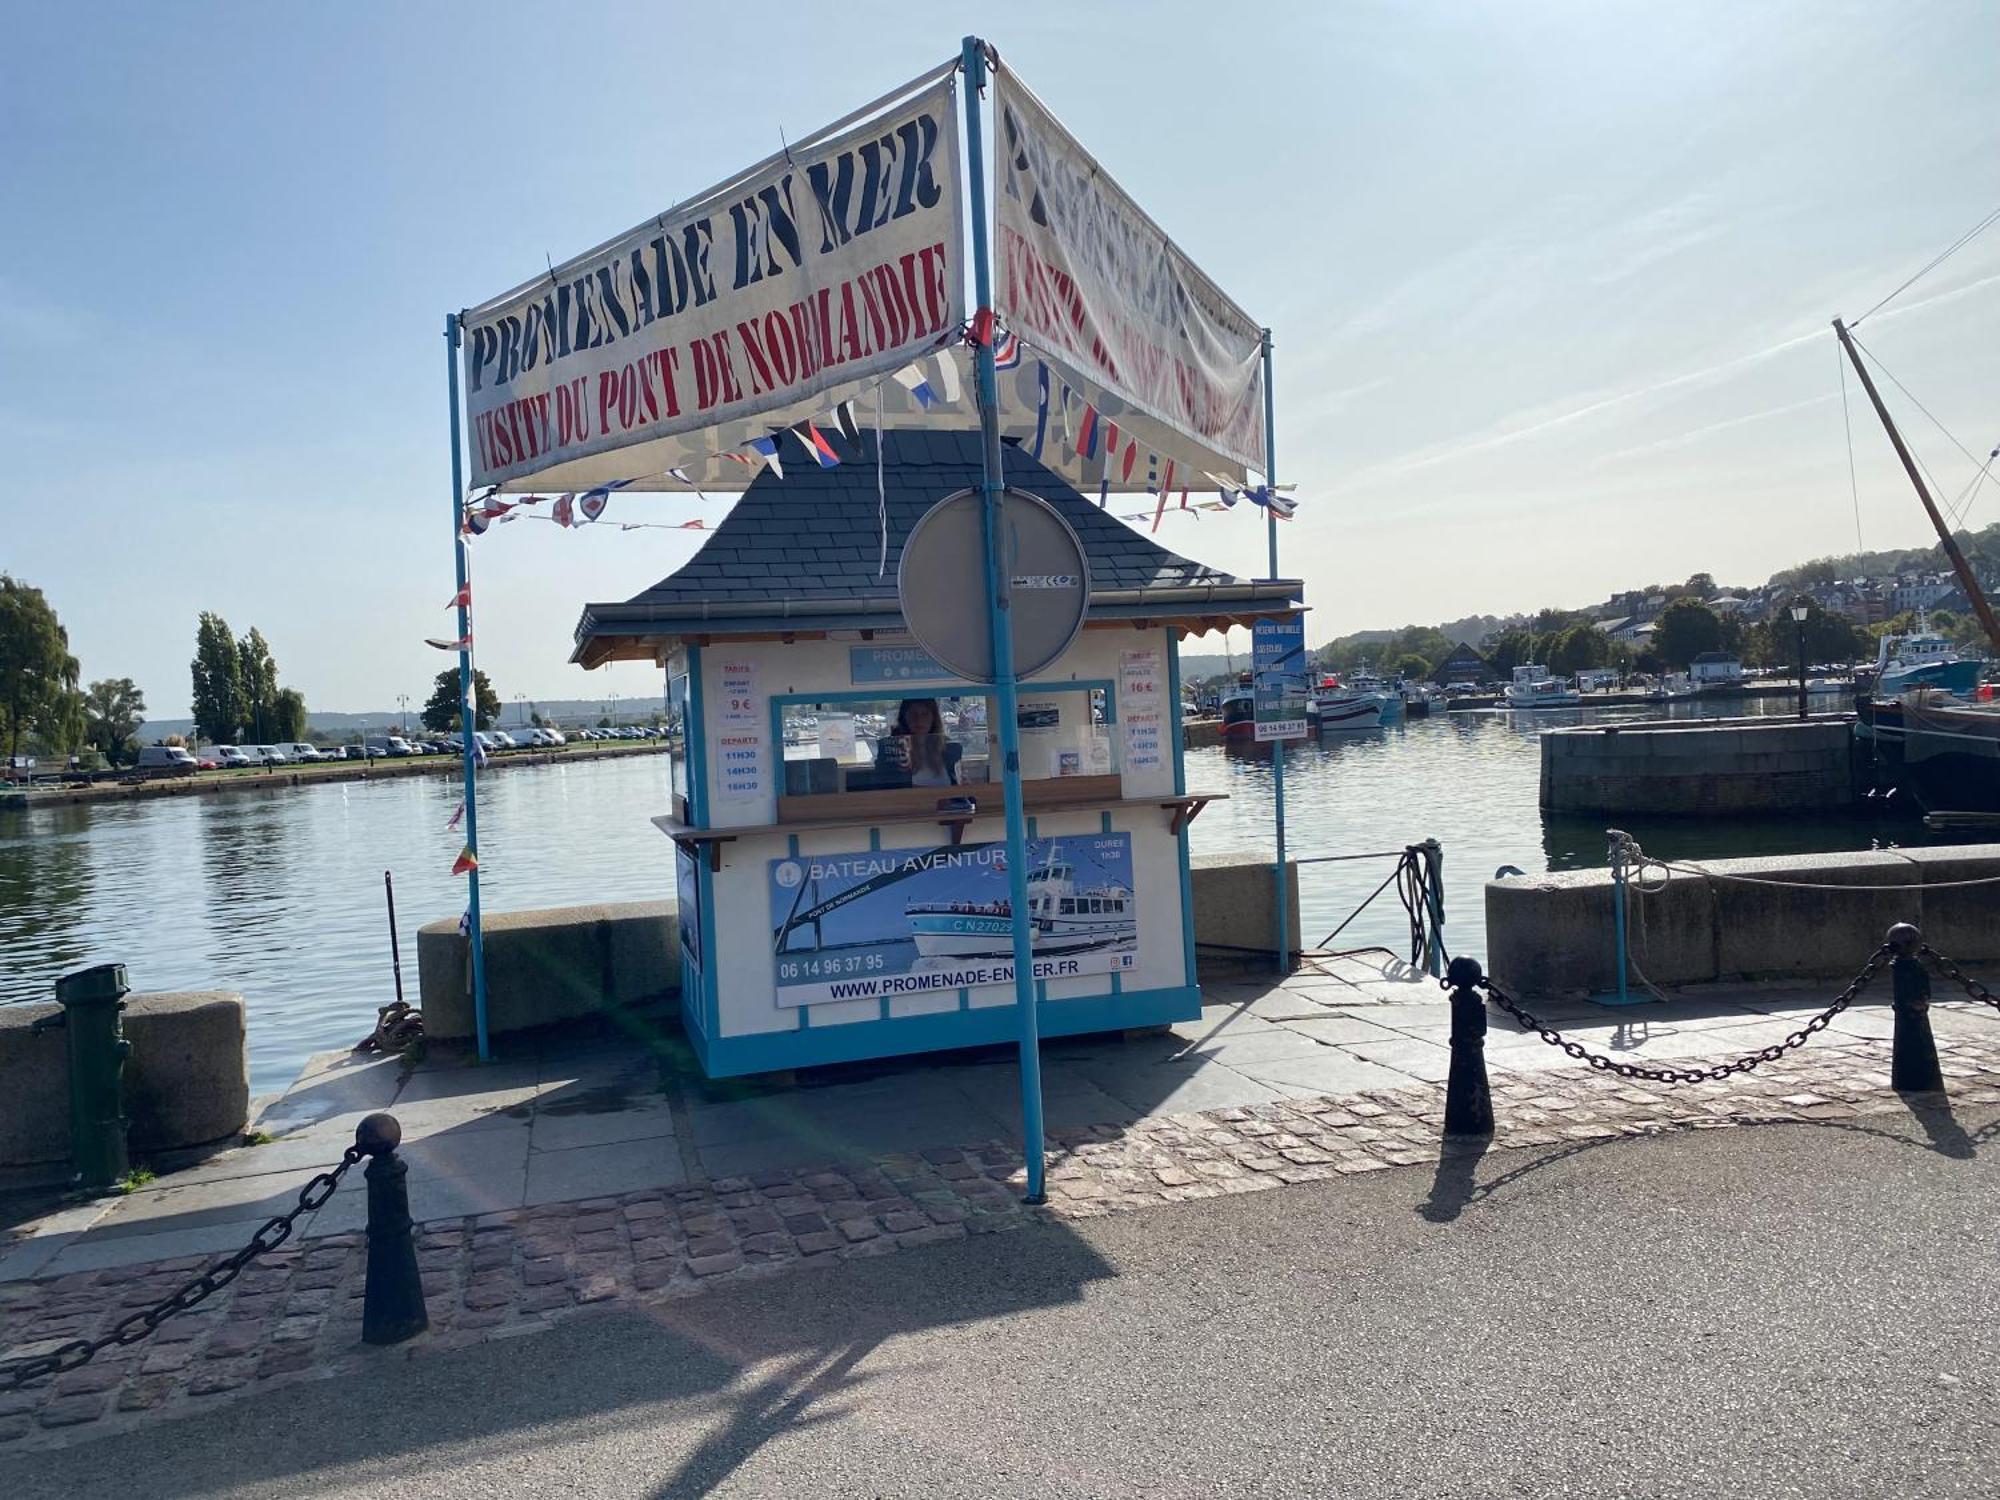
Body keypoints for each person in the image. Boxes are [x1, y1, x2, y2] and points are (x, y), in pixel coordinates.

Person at [888, 698, 956, 786]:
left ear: (934, 718)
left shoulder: (950, 748)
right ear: (904, 717)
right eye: (913, 714)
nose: (919, 719)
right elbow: (883, 788)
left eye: (925, 713)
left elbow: (958, 788)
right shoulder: (891, 748)